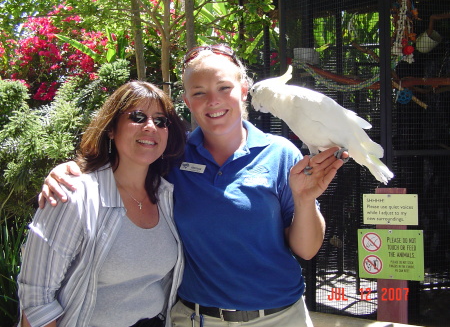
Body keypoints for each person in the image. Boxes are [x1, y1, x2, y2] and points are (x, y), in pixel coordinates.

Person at [39, 44, 348, 327]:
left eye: (224, 88)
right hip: (197, 318)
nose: (213, 101)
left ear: (243, 90)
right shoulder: (170, 154)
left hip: (280, 317)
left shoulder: (281, 154)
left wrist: (305, 200)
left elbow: (306, 251)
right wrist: (72, 169)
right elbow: (124, 164)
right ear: (186, 100)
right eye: (198, 92)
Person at [18, 81, 186, 327]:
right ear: (111, 129)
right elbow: (36, 298)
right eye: (137, 117)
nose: (151, 126)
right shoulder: (74, 195)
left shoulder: (166, 195)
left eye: (161, 121)